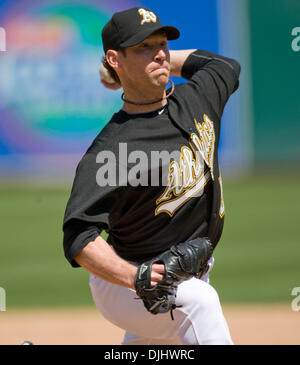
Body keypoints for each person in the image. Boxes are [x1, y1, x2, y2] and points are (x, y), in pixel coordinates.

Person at [62, 7, 241, 345]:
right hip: (125, 284)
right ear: (114, 58)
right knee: (200, 304)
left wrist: (153, 62)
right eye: (144, 46)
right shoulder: (112, 148)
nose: (160, 52)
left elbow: (225, 66)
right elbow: (78, 237)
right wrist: (136, 277)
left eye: (162, 44)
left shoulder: (198, 97)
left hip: (185, 275)